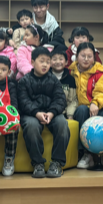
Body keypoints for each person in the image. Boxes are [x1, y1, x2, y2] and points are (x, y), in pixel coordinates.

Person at [18, 48, 70, 178]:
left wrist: (52, 113)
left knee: (62, 123)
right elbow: (23, 101)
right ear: (32, 62)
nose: (45, 64)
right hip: (31, 114)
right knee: (31, 126)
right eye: (42, 61)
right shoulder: (24, 81)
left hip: (51, 113)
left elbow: (60, 99)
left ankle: (57, 163)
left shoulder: (54, 80)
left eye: (48, 61)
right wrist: (36, 113)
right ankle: (38, 163)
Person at [70, 42, 103, 169]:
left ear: (94, 58)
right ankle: (86, 154)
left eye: (89, 56)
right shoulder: (71, 72)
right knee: (82, 110)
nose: (86, 59)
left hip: (98, 106)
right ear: (76, 56)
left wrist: (95, 102)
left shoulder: (100, 73)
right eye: (82, 56)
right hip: (80, 109)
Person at [50, 49, 77, 119]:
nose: (58, 62)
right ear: (50, 62)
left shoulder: (71, 79)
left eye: (61, 59)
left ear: (66, 62)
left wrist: (70, 114)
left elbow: (73, 101)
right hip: (48, 112)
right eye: (54, 59)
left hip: (65, 114)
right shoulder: (46, 78)